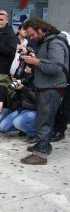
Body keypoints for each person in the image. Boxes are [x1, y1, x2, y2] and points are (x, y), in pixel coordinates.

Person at [20, 17, 68, 165]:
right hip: (46, 87)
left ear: (40, 28)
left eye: (32, 35)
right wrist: (35, 58)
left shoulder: (56, 42)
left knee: (44, 121)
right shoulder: (46, 42)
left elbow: (55, 67)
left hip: (52, 88)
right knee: (43, 119)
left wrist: (36, 62)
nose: (31, 38)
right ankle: (44, 145)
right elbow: (48, 62)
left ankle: (40, 155)